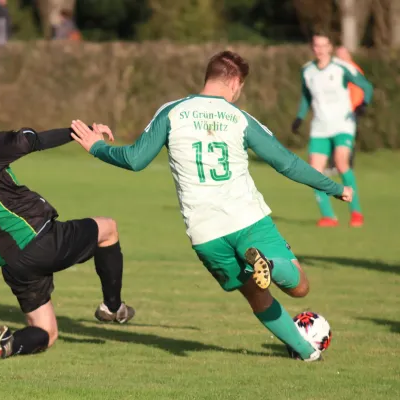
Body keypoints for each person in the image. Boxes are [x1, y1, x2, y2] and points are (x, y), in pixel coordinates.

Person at [68, 51, 353, 362]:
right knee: (299, 287)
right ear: (233, 82)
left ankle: (306, 353)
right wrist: (334, 188)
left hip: (205, 234)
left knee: (256, 295)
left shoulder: (172, 112)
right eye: (240, 86)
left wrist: (98, 147)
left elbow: (135, 160)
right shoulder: (239, 117)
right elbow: (285, 162)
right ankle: (270, 266)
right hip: (247, 220)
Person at [0, 109, 135, 360]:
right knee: (108, 228)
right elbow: (29, 140)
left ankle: (5, 345)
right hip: (41, 240)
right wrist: (82, 132)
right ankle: (112, 308)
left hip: (13, 265)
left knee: (46, 332)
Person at [291, 33, 373, 227]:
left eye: (324, 45)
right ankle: (328, 216)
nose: (320, 49)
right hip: (320, 126)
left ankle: (356, 212)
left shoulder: (341, 67)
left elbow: (366, 86)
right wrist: (300, 117)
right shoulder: (307, 71)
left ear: (330, 47)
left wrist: (362, 105)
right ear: (312, 48)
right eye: (316, 46)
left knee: (341, 161)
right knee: (314, 171)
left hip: (343, 124)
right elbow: (305, 96)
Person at [324, 47, 365, 175]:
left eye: (342, 55)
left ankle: (347, 166)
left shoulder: (353, 70)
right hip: (335, 111)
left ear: (348, 55)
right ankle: (333, 166)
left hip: (349, 111)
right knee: (331, 137)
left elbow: (358, 91)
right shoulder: (336, 70)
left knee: (346, 140)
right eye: (338, 55)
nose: (339, 58)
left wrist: (353, 108)